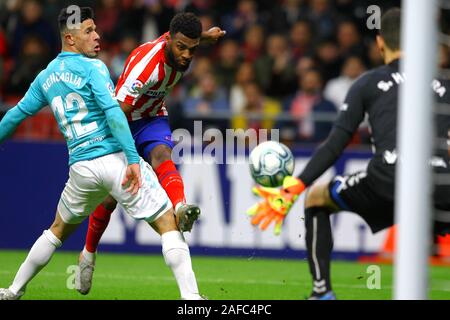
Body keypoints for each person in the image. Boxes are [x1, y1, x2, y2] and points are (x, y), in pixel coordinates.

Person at [0, 7, 203, 300]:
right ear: (70, 39)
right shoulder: (94, 68)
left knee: (55, 231)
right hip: (114, 161)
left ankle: (13, 290)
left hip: (81, 169)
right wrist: (133, 160)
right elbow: (116, 116)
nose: (97, 36)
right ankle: (192, 299)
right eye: (89, 32)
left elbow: (14, 117)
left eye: (96, 29)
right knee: (168, 222)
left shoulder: (45, 78)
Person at [248, 8, 450, 300]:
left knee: (317, 198)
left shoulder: (368, 83)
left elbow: (335, 143)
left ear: (380, 42)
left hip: (388, 180)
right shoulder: (443, 84)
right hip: (440, 182)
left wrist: (295, 187)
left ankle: (322, 292)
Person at [76, 12, 225, 295]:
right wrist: (124, 154)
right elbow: (119, 112)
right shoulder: (147, 68)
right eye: (181, 47)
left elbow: (189, 39)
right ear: (169, 40)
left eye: (192, 49)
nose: (186, 55)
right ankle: (88, 255)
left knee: (162, 155)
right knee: (109, 199)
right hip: (123, 120)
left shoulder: (184, 44)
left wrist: (207, 37)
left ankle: (180, 207)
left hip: (153, 115)